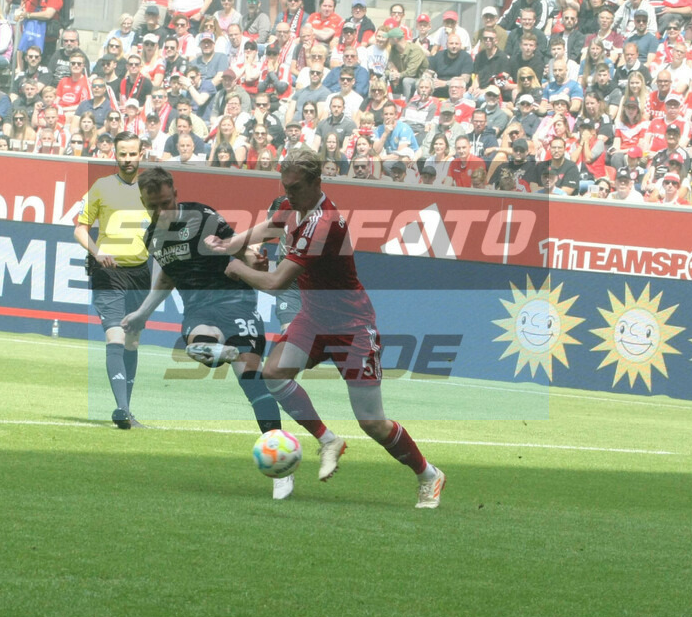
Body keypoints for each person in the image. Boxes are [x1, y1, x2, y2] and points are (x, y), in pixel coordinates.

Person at [209, 148, 445, 508]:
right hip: (314, 318)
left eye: (295, 187)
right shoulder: (292, 206)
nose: (289, 194)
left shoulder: (323, 224)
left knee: (372, 423)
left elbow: (275, 282)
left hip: (352, 326)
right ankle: (327, 439)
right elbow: (268, 227)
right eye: (285, 186)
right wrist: (230, 243)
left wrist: (236, 267)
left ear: (316, 182)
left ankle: (428, 474)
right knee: (273, 374)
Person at [117, 167, 290, 498]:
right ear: (143, 202)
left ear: (175, 194)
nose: (161, 211)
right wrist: (142, 314)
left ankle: (281, 470)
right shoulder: (152, 237)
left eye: (166, 203)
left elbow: (236, 246)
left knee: (251, 381)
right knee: (200, 346)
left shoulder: (201, 216)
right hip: (198, 310)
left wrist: (253, 260)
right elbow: (167, 277)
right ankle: (221, 352)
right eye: (153, 206)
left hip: (236, 303)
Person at [74, 131, 153, 430]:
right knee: (115, 336)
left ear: (141, 154)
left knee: (132, 341)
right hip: (108, 273)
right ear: (115, 155)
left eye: (132, 154)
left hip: (140, 273)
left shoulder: (151, 189)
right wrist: (97, 252)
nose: (128, 159)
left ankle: (127, 411)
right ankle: (121, 410)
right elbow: (80, 229)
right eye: (123, 154)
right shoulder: (101, 186)